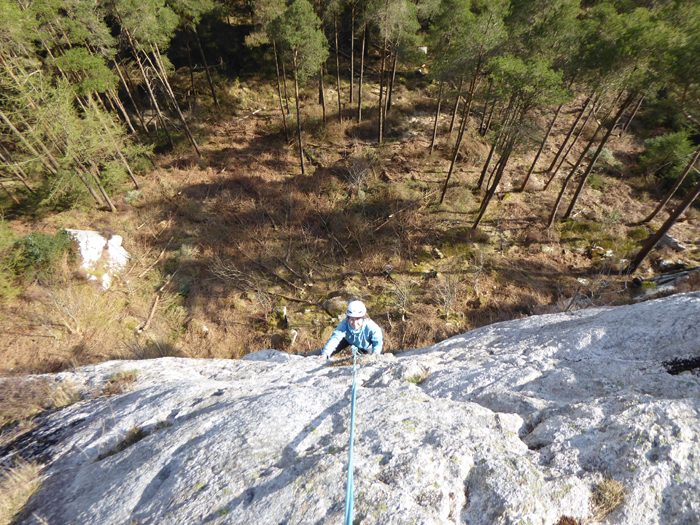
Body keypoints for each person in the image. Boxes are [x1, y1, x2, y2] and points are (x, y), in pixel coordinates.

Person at [312, 300, 383, 359]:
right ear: (348, 318)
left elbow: (377, 342)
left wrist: (376, 354)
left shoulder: (371, 326)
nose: (355, 323)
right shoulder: (344, 324)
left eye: (358, 319)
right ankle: (309, 354)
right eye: (352, 319)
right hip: (348, 339)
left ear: (363, 318)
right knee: (328, 351)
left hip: (366, 345)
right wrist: (325, 353)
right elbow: (335, 339)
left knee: (372, 356)